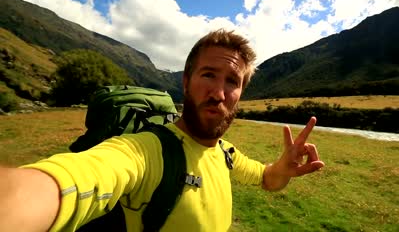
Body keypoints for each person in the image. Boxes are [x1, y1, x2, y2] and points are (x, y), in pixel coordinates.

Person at [0, 29, 325, 231]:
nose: (219, 93)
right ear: (185, 82)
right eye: (208, 75)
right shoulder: (146, 150)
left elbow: (268, 179)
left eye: (232, 82)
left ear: (241, 92)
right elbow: (79, 178)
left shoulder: (226, 153)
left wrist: (282, 168)